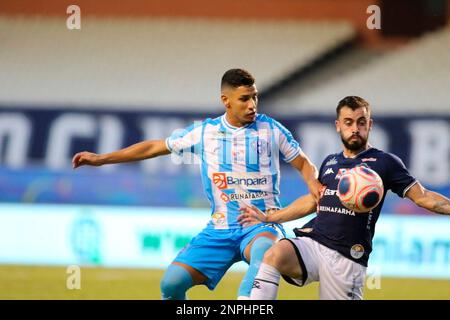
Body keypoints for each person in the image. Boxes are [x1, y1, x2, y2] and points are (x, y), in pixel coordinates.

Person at [72, 68, 322, 300]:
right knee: (171, 285)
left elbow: (303, 163)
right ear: (226, 100)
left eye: (254, 97)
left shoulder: (271, 129)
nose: (252, 105)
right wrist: (102, 159)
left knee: (265, 258)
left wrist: (314, 184)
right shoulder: (205, 132)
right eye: (244, 99)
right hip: (220, 229)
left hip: (261, 225)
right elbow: (154, 146)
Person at [238, 96, 450, 300]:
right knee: (275, 254)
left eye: (361, 122)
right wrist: (270, 218)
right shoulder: (330, 161)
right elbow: (313, 201)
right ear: (338, 125)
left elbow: (422, 197)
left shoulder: (385, 163)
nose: (355, 128)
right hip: (314, 243)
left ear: (370, 125)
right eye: (348, 122)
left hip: (347, 257)